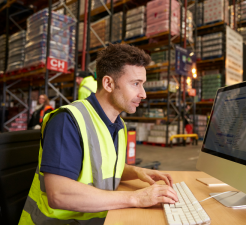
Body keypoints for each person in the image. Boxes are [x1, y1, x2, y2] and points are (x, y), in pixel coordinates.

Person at [19, 44, 178, 224]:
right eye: (136, 84)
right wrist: (135, 197)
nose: (143, 94)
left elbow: (103, 168)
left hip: (98, 217)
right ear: (108, 83)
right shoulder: (68, 121)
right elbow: (59, 194)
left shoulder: (118, 125)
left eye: (143, 85)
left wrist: (136, 171)